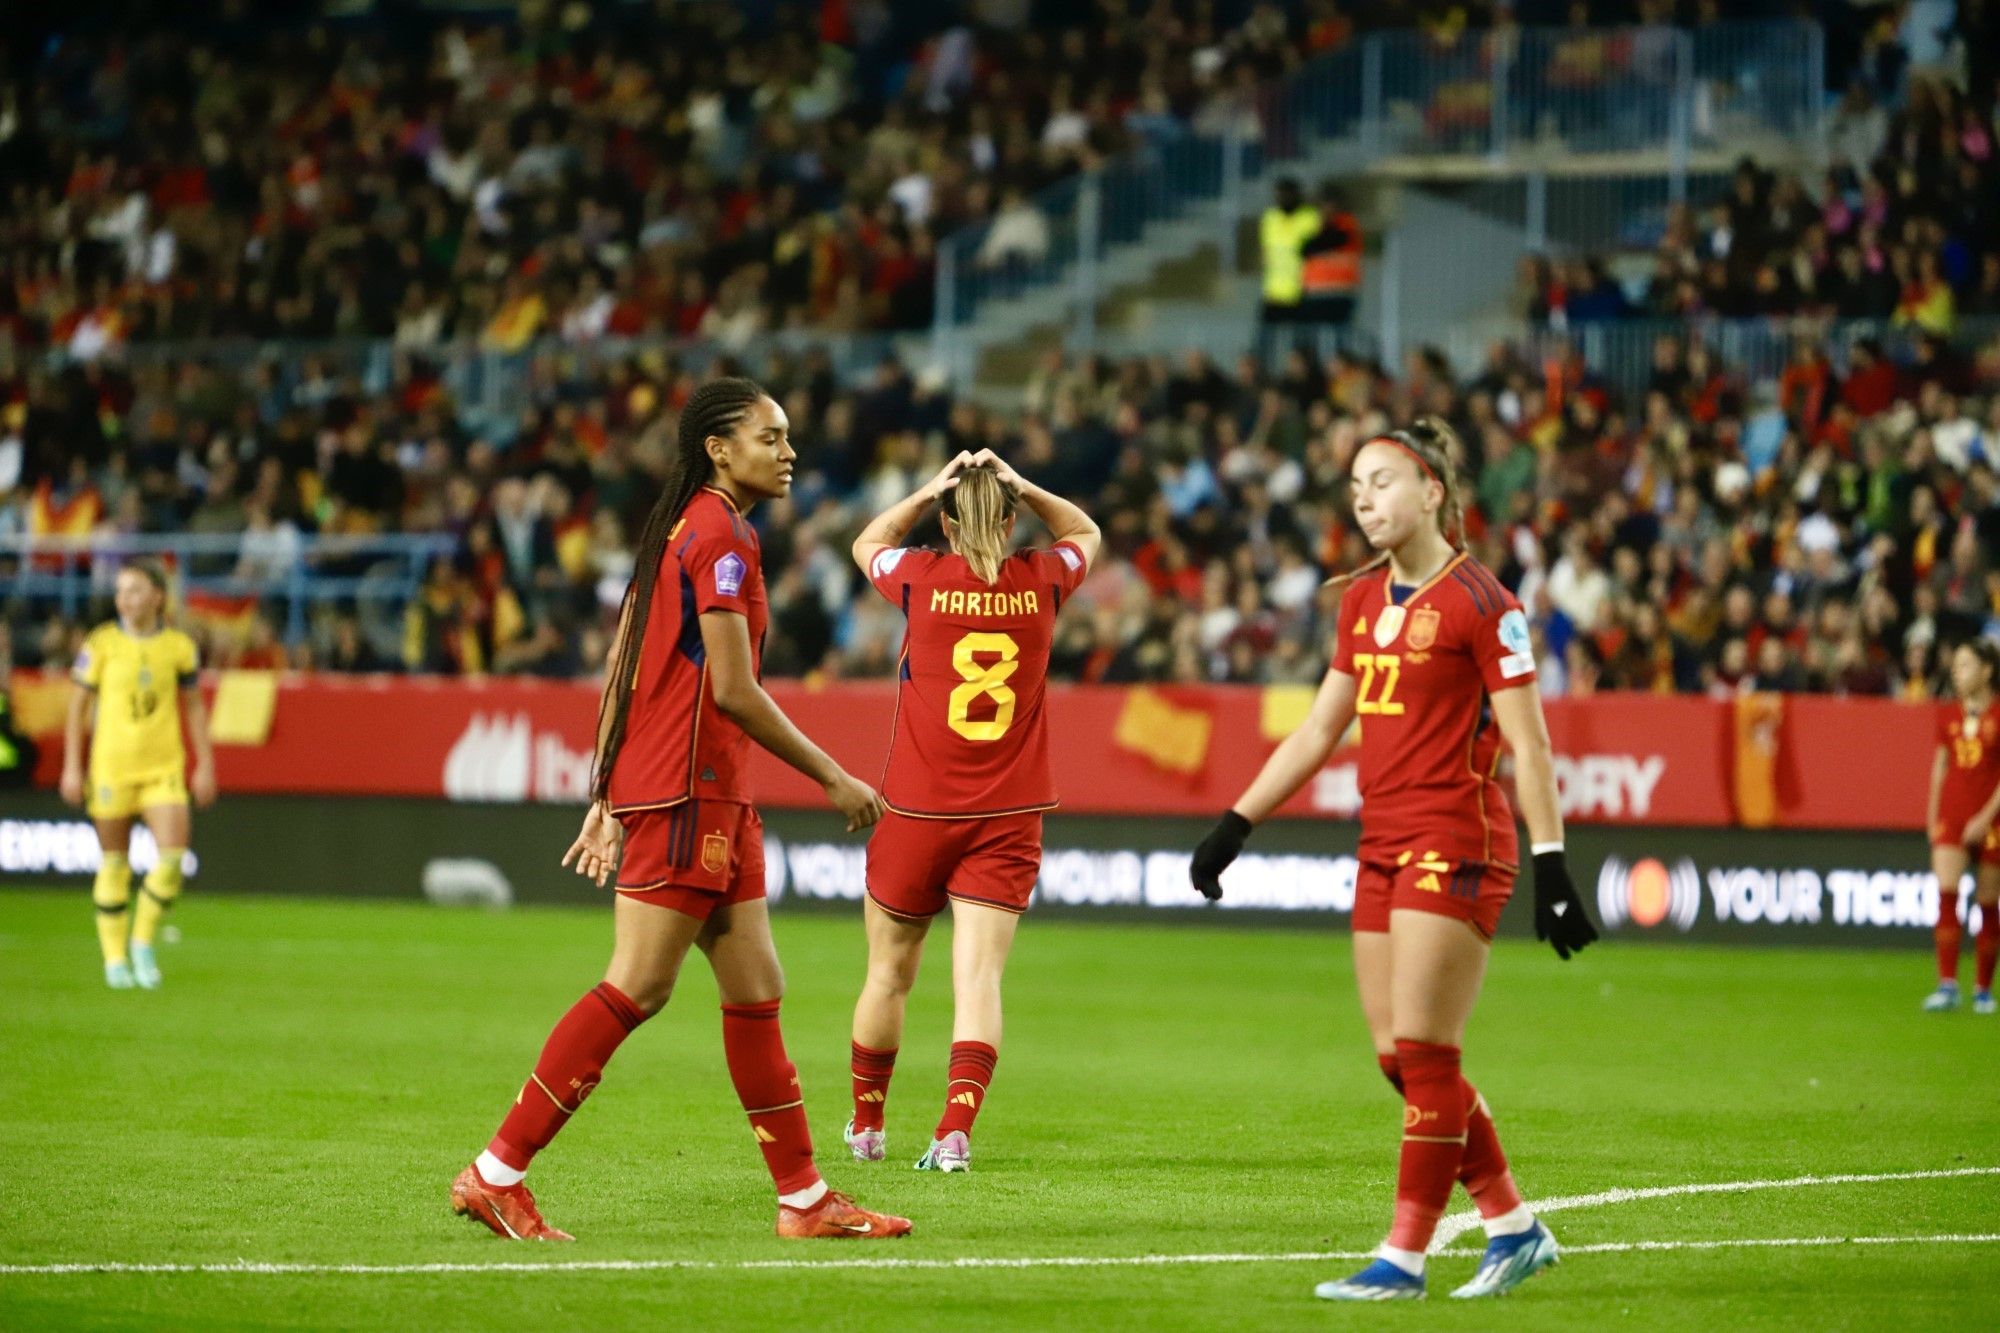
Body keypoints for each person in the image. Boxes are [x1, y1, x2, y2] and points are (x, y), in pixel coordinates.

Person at [450, 378, 911, 1243]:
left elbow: (627, 656)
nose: (789, 452)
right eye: (770, 437)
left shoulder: (688, 528)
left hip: (707, 791)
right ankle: (496, 1171)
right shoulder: (718, 537)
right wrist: (833, 776)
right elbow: (733, 689)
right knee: (638, 984)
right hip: (690, 788)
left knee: (758, 989)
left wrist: (604, 789)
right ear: (718, 448)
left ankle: (805, 1199)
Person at [1188, 419, 1599, 1302]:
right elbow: (1318, 729)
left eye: (1380, 481)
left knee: (1425, 1046)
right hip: (1381, 840)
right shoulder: (1362, 601)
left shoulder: (1485, 603)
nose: (1364, 499)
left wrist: (1554, 866)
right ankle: (1514, 1225)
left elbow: (1530, 743)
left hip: (1457, 838)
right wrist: (1237, 821)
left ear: (1433, 491)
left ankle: (1404, 1258)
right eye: (1354, 488)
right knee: (1397, 1057)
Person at [842, 451, 1100, 1173]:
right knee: (979, 979)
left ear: (948, 523)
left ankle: (867, 1126)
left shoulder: (920, 579)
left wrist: (925, 489)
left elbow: (865, 542)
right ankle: (953, 1132)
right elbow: (1085, 530)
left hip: (918, 809)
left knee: (889, 972)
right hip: (1009, 812)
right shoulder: (1043, 581)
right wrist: (1024, 485)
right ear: (1014, 520)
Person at [60, 562, 217, 989]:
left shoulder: (180, 647)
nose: (124, 598)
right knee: (114, 862)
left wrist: (206, 762)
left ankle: (142, 941)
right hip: (111, 766)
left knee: (171, 858)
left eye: (134, 590)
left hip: (163, 767)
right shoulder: (102, 644)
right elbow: (76, 708)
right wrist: (72, 765)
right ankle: (114, 959)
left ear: (157, 597)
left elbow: (195, 706)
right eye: (120, 591)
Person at [1922, 639, 2000, 1014]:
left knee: (1987, 902)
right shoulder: (1947, 714)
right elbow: (1940, 767)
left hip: (1992, 817)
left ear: (1987, 671)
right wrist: (1933, 815)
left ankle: (1983, 989)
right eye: (1955, 665)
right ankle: (1947, 984)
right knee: (1947, 895)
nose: (1957, 671)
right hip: (1952, 814)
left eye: (1966, 664)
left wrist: (1985, 817)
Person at [1258, 176, 1320, 364]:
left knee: (1302, 344)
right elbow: (1266, 250)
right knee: (1264, 342)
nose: (1281, 199)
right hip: (1274, 290)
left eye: (1285, 194)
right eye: (1279, 195)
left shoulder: (1309, 217)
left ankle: (1303, 376)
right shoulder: (1270, 217)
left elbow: (1314, 250)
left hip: (1301, 289)